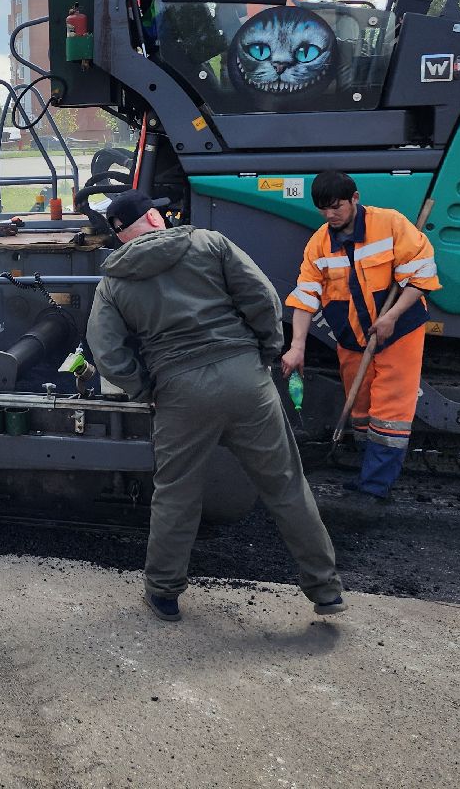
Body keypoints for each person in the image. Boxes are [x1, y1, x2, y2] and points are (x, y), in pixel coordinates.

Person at [85, 189, 345, 622]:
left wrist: (145, 388)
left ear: (120, 236)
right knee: (285, 485)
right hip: (246, 378)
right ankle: (325, 590)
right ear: (153, 218)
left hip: (179, 392)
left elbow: (106, 352)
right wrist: (266, 349)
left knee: (176, 494)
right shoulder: (210, 243)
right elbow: (261, 296)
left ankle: (164, 593)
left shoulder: (113, 282)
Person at [281, 170, 441, 500]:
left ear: (355, 198)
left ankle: (374, 487)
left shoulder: (391, 225)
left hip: (398, 332)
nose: (329, 215)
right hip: (352, 338)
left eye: (336, 207)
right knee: (362, 410)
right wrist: (297, 346)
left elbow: (422, 274)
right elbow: (305, 296)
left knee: (390, 412)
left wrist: (392, 317)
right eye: (322, 209)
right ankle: (369, 470)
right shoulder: (319, 244)